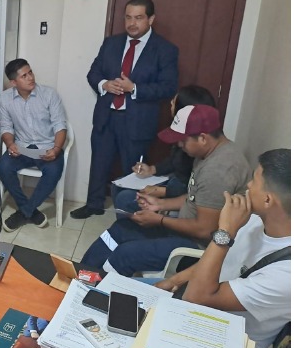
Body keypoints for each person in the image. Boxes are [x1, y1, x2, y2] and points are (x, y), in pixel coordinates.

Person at [81, 104, 251, 276]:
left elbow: (204, 230)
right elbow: (195, 197)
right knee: (119, 230)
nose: (179, 144)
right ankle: (80, 277)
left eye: (183, 140)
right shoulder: (208, 153)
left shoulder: (218, 170)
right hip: (183, 230)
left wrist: (159, 220)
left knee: (124, 255)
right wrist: (160, 204)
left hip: (196, 246)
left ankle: (94, 288)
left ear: (202, 138)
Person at [155, 149, 290, 348]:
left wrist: (225, 231)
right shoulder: (255, 220)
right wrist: (173, 281)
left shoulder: (286, 274)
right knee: (123, 301)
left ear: (268, 200)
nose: (248, 185)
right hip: (198, 310)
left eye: (254, 181)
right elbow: (217, 263)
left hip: (224, 344)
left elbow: (195, 297)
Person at [71, 0, 179, 219]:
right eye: (128, 17)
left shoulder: (165, 49)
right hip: (106, 116)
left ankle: (130, 212)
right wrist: (104, 84)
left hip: (138, 120)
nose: (132, 23)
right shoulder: (111, 43)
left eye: (138, 18)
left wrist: (134, 88)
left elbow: (168, 87)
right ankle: (94, 204)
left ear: (151, 19)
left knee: (134, 169)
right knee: (99, 163)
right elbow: (93, 73)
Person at [113, 85, 216, 215]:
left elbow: (192, 188)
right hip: (173, 183)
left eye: (174, 102)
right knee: (118, 186)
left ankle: (140, 226)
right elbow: (174, 160)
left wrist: (161, 191)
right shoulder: (183, 130)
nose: (170, 104)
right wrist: (152, 170)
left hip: (179, 192)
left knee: (125, 198)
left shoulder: (197, 143)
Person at [0, 59, 68, 232]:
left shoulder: (49, 94)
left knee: (54, 171)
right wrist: (10, 144)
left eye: (30, 72)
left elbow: (60, 126)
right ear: (14, 82)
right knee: (3, 166)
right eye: (24, 76)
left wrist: (56, 149)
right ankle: (30, 210)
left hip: (48, 146)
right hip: (22, 147)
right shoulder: (5, 98)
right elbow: (6, 128)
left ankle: (24, 212)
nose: (30, 77)